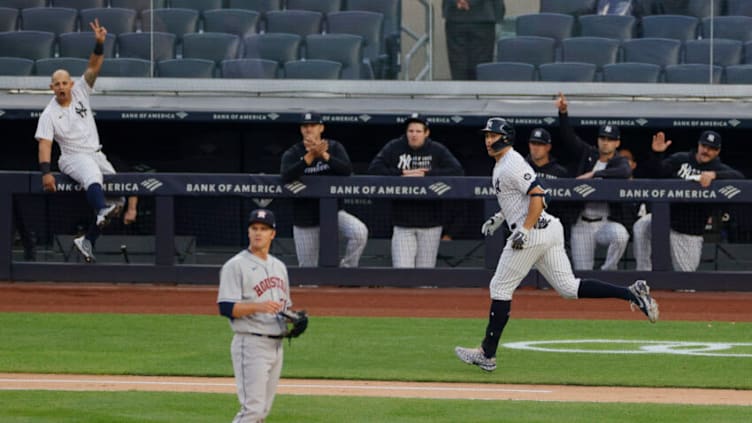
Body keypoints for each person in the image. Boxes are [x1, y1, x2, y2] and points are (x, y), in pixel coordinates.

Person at [454, 117, 659, 372]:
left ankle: (487, 353)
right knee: (568, 287)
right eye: (486, 136)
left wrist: (525, 230)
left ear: (505, 137)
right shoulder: (504, 163)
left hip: (533, 233)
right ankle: (631, 293)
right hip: (547, 230)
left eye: (492, 136)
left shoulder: (512, 163)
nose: (488, 140)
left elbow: (539, 195)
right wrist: (499, 217)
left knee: (500, 287)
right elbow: (517, 199)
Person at [34, 19, 123, 263]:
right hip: (72, 157)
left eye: (65, 82)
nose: (61, 87)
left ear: (71, 84)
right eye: (57, 84)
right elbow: (44, 144)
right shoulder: (49, 113)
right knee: (93, 177)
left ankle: (87, 240)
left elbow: (94, 66)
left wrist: (99, 42)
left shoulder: (82, 90)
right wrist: (46, 172)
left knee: (119, 200)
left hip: (96, 152)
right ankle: (100, 209)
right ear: (51, 87)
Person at [217, 209, 291, 422]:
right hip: (250, 344)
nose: (258, 233)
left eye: (264, 229)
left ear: (272, 234)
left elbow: (283, 306)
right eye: (254, 228)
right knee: (252, 411)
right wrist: (259, 306)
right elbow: (226, 308)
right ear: (248, 232)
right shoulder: (235, 266)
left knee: (262, 412)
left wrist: (293, 319)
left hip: (276, 346)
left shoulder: (279, 267)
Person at [632, 130, 744, 271]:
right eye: (704, 146)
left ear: (718, 151)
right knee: (641, 226)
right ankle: (644, 272)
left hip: (688, 231)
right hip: (665, 218)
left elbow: (739, 178)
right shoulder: (681, 159)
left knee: (686, 284)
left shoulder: (717, 168)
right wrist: (657, 154)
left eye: (711, 148)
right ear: (698, 145)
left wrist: (715, 175)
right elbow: (657, 173)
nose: (706, 151)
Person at [368, 113, 464, 268]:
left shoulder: (436, 149)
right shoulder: (395, 147)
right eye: (410, 131)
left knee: (425, 276)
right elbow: (374, 169)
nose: (414, 135)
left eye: (418, 131)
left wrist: (426, 174)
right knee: (402, 271)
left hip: (431, 222)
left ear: (426, 133)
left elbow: (457, 171)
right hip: (402, 222)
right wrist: (402, 173)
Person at [280, 112, 368, 267]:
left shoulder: (333, 147)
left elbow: (347, 170)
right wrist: (309, 158)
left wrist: (324, 156)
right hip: (305, 218)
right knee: (308, 272)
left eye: (313, 125)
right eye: (305, 126)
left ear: (321, 127)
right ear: (301, 129)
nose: (309, 129)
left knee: (359, 232)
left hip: (333, 213)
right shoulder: (293, 152)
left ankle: (346, 269)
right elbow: (286, 176)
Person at [555, 93, 632, 271]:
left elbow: (625, 171)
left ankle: (608, 270)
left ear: (617, 143)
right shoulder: (588, 153)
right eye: (603, 138)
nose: (605, 143)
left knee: (620, 235)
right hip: (582, 223)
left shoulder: (619, 161)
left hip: (605, 222)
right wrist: (563, 113)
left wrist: (594, 174)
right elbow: (569, 138)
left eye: (610, 140)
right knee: (583, 273)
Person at [442, 0, 505, 80]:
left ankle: (461, 91)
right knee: (481, 67)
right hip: (484, 16)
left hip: (455, 16)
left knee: (458, 65)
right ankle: (476, 91)